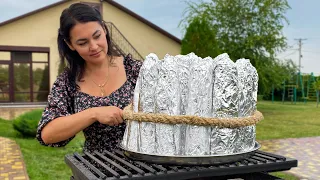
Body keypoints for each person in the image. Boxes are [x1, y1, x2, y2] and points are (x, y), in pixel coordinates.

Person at [36, 3, 142, 153]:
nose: (94, 46)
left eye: (97, 36)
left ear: (104, 29)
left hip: (142, 167)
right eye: (82, 42)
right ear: (70, 44)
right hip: (96, 169)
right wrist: (93, 113)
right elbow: (48, 134)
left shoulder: (134, 69)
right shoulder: (68, 81)